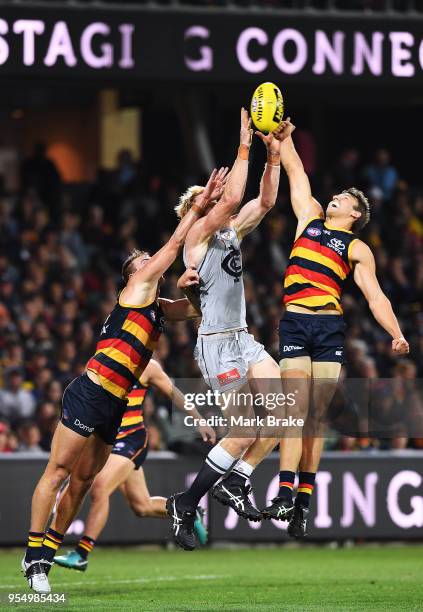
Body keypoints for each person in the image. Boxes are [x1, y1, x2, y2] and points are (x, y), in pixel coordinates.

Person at [21, 166, 226, 594]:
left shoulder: (158, 307)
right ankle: (34, 557)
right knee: (58, 471)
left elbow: (196, 312)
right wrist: (199, 208)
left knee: (82, 483)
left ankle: (53, 550)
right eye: (141, 263)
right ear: (133, 275)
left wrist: (191, 287)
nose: (149, 264)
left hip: (116, 406)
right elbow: (172, 246)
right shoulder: (136, 290)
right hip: (91, 390)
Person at [261, 119, 409, 537]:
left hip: (327, 328)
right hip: (294, 321)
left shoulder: (357, 248)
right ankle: (286, 492)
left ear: (355, 214)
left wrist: (396, 333)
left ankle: (302, 502)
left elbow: (375, 296)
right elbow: (296, 172)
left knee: (313, 419)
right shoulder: (307, 217)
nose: (334, 198)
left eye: (342, 198)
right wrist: (284, 140)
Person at [167, 109, 285, 551]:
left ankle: (237, 480)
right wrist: (243, 144)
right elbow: (234, 199)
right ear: (197, 208)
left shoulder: (228, 233)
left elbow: (266, 202)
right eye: (211, 197)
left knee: (282, 415)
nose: (219, 200)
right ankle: (187, 501)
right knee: (241, 432)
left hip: (243, 338)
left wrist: (272, 158)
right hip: (218, 346)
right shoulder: (196, 235)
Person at [54, 358, 214, 571]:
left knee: (100, 486)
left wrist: (199, 419)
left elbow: (173, 392)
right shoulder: (101, 360)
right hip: (106, 441)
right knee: (142, 506)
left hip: (131, 438)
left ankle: (81, 554)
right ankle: (187, 510)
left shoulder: (149, 366)